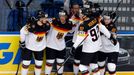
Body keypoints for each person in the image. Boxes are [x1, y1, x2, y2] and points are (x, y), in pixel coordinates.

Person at [70, 4, 117, 75]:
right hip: (97, 47)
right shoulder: (94, 19)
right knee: (93, 65)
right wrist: (110, 37)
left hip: (88, 49)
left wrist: (74, 47)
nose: (79, 15)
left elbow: (80, 38)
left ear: (84, 15)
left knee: (82, 66)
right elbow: (103, 28)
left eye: (81, 13)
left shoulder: (83, 25)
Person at [20, 10, 50, 75]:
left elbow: (48, 32)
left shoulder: (47, 25)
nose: (45, 19)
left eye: (45, 18)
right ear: (39, 18)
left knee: (39, 64)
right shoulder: (31, 25)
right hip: (29, 47)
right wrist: (22, 42)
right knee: (26, 63)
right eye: (44, 18)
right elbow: (22, 31)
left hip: (40, 47)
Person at [45, 10, 73, 75]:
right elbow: (44, 21)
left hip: (61, 47)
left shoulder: (69, 24)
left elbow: (74, 28)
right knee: (49, 63)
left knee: (60, 63)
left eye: (63, 16)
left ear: (66, 16)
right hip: (50, 46)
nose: (61, 17)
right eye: (60, 16)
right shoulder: (53, 21)